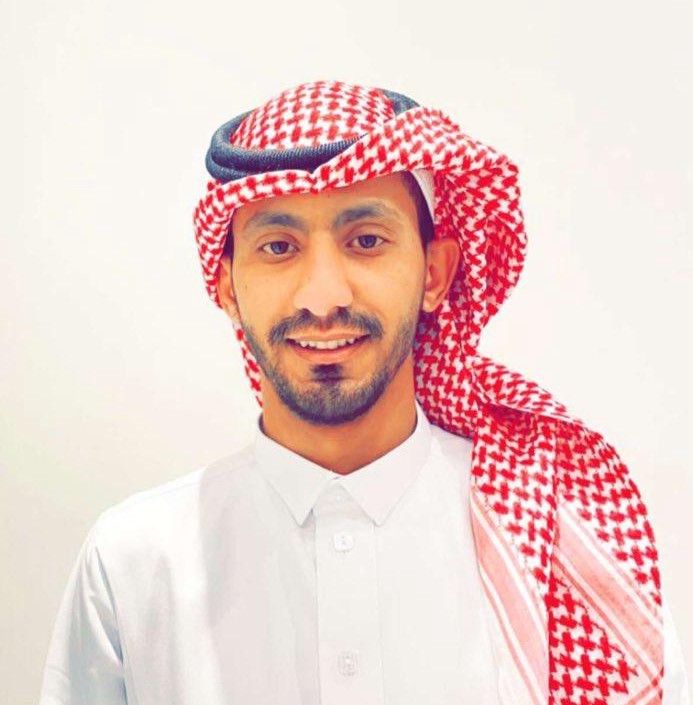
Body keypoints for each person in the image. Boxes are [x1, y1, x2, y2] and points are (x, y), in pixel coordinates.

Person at [39, 80, 689, 704]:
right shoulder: (133, 562)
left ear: (434, 274)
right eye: (278, 246)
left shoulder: (562, 544)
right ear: (227, 286)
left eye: (367, 241)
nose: (324, 296)